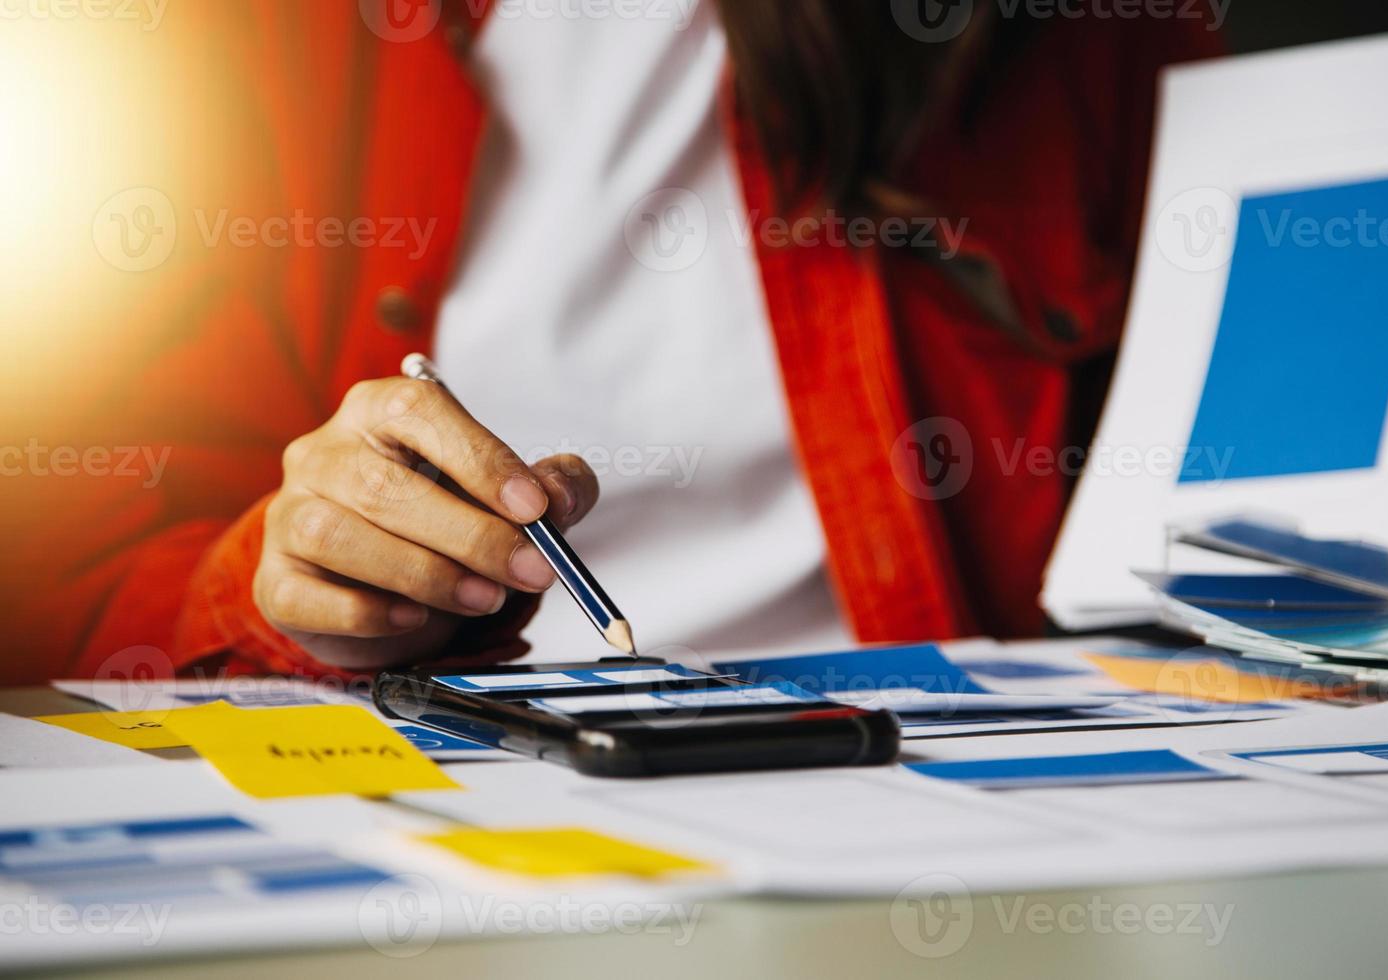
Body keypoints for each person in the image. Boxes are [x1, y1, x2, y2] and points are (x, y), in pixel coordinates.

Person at [0, 1, 1219, 685]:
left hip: (952, 775)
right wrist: (287, 583)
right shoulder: (212, 48)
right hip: (439, 784)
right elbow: (60, 582)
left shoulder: (1056, 37)